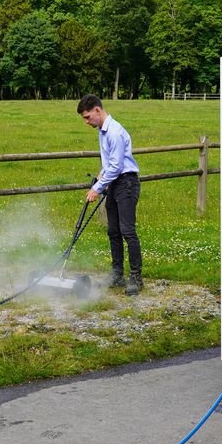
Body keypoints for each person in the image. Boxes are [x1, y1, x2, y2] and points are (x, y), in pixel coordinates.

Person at [77, 95, 143, 295]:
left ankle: (136, 278)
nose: (87, 122)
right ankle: (117, 274)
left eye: (88, 117)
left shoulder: (114, 131)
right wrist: (100, 178)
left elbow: (116, 166)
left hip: (126, 183)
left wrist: (97, 189)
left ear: (97, 110)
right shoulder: (102, 131)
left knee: (127, 231)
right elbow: (108, 164)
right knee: (112, 230)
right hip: (114, 183)